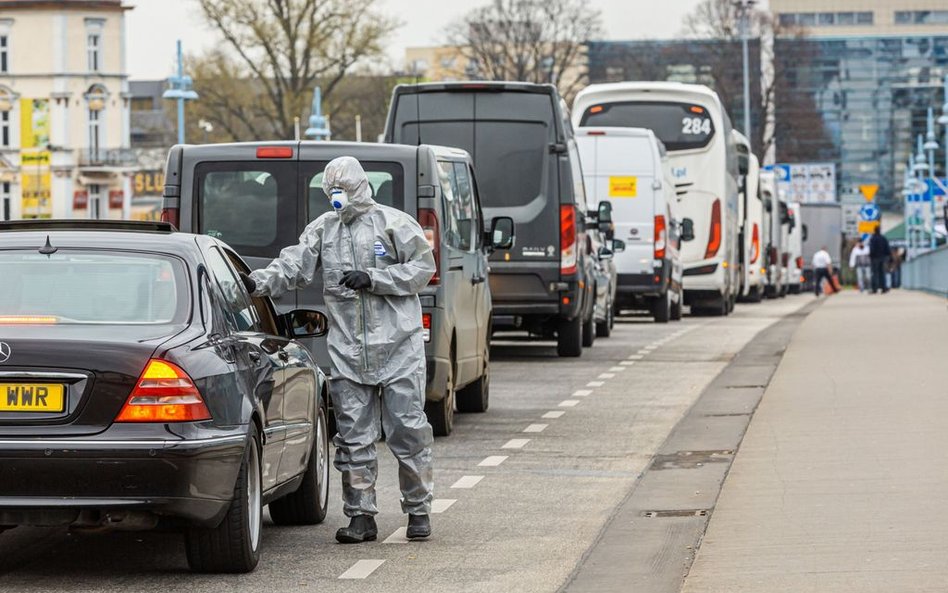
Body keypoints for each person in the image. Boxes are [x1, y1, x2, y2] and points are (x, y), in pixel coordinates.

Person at [241, 156, 436, 543]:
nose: (337, 197)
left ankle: (418, 510)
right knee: (353, 436)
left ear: (360, 187)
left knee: (408, 431)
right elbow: (293, 265)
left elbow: (423, 268)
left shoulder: (394, 224)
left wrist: (376, 278)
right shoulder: (323, 231)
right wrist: (256, 283)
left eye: (343, 190)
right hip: (349, 352)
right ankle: (361, 516)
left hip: (399, 349)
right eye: (332, 191)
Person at [868, 226, 891, 294]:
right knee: (882, 273)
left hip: (875, 258)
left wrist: (871, 256)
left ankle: (874, 289)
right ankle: (883, 288)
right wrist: (887, 256)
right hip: (883, 258)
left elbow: (871, 249)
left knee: (874, 273)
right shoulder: (883, 238)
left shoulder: (873, 239)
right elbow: (887, 249)